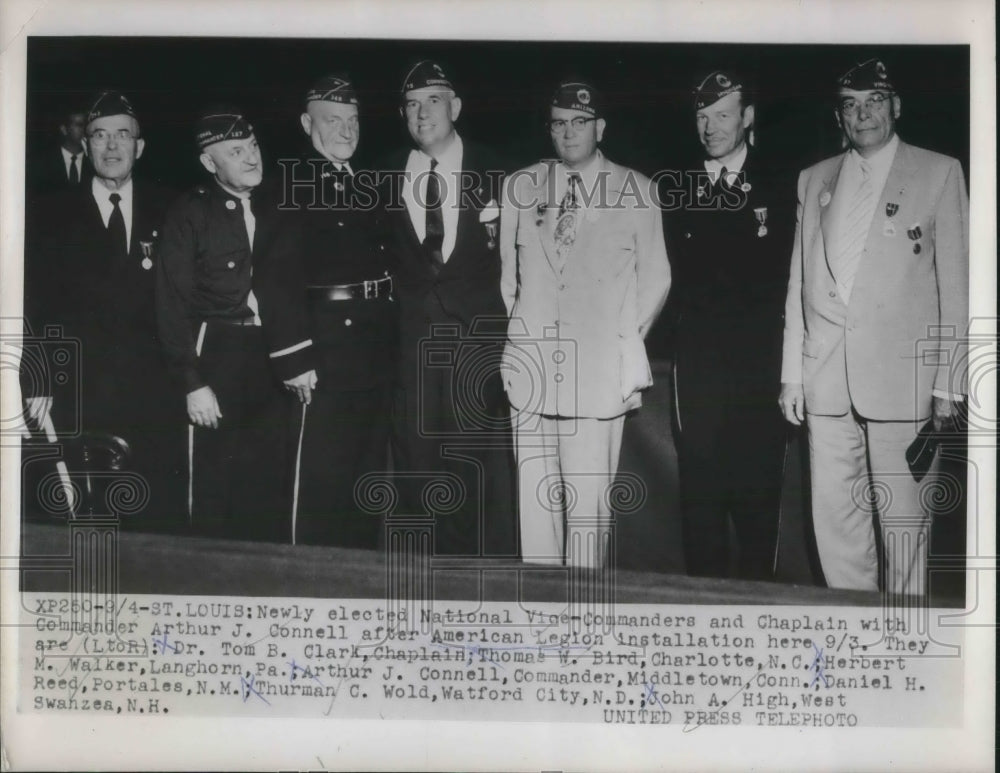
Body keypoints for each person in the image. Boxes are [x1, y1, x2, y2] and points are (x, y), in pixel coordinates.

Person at [779, 58, 969, 597]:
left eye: (874, 101)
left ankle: (903, 636)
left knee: (905, 530)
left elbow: (957, 287)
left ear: (896, 106)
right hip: (826, 380)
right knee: (837, 526)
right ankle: (851, 629)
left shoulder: (939, 172)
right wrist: (792, 374)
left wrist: (948, 384)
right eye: (850, 104)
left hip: (903, 384)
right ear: (838, 115)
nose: (862, 114)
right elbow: (799, 283)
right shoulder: (814, 178)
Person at [500, 80, 671, 567]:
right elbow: (509, 281)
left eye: (580, 122)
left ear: (600, 128)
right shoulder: (521, 187)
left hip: (597, 378)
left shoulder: (637, 190)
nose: (569, 132)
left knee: (588, 517)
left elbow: (656, 280)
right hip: (531, 373)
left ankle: (582, 605)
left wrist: (616, 345)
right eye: (559, 123)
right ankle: (539, 604)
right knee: (535, 511)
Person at [24, 90, 184, 529]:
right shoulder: (48, 212)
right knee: (79, 522)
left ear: (140, 146)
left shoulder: (172, 209)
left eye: (122, 135)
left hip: (154, 391)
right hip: (76, 388)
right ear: (85, 144)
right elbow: (30, 299)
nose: (112, 146)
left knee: (150, 522)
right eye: (99, 135)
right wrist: (37, 376)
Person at [156, 108, 316, 541]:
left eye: (253, 146)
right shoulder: (190, 212)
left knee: (268, 479)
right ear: (209, 163)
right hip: (216, 351)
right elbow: (171, 304)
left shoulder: (277, 204)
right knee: (212, 482)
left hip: (271, 354)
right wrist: (192, 383)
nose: (251, 157)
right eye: (235, 151)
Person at [664, 70, 796, 580]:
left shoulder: (783, 182)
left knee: (759, 506)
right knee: (701, 506)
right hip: (698, 370)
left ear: (748, 117)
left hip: (761, 371)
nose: (710, 126)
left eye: (722, 115)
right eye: (701, 116)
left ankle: (760, 611)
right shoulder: (675, 186)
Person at [382, 60, 515, 556]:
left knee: (467, 469)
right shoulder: (385, 173)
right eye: (411, 105)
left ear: (455, 107)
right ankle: (417, 579)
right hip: (411, 345)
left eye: (433, 101)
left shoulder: (500, 170)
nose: (422, 114)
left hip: (475, 344)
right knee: (414, 467)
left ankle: (461, 580)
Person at [280, 74, 397, 547]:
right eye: (333, 120)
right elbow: (276, 278)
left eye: (353, 120)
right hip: (323, 354)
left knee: (364, 483)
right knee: (321, 485)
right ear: (306, 123)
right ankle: (308, 581)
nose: (347, 131)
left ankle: (357, 579)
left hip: (373, 349)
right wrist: (294, 355)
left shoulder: (366, 181)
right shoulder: (291, 183)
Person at [29, 107, 92, 196]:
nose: (86, 130)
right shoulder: (43, 162)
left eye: (87, 125)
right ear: (64, 130)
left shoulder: (93, 162)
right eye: (80, 125)